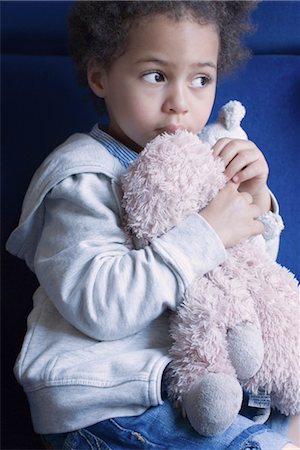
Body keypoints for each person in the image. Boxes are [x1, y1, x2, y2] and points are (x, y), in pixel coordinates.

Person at [6, 1, 299, 449]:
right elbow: (100, 307)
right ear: (100, 75)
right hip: (108, 404)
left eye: (201, 79)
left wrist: (255, 200)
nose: (180, 104)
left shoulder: (208, 156)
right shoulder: (82, 179)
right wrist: (206, 233)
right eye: (156, 76)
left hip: (196, 387)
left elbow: (245, 279)